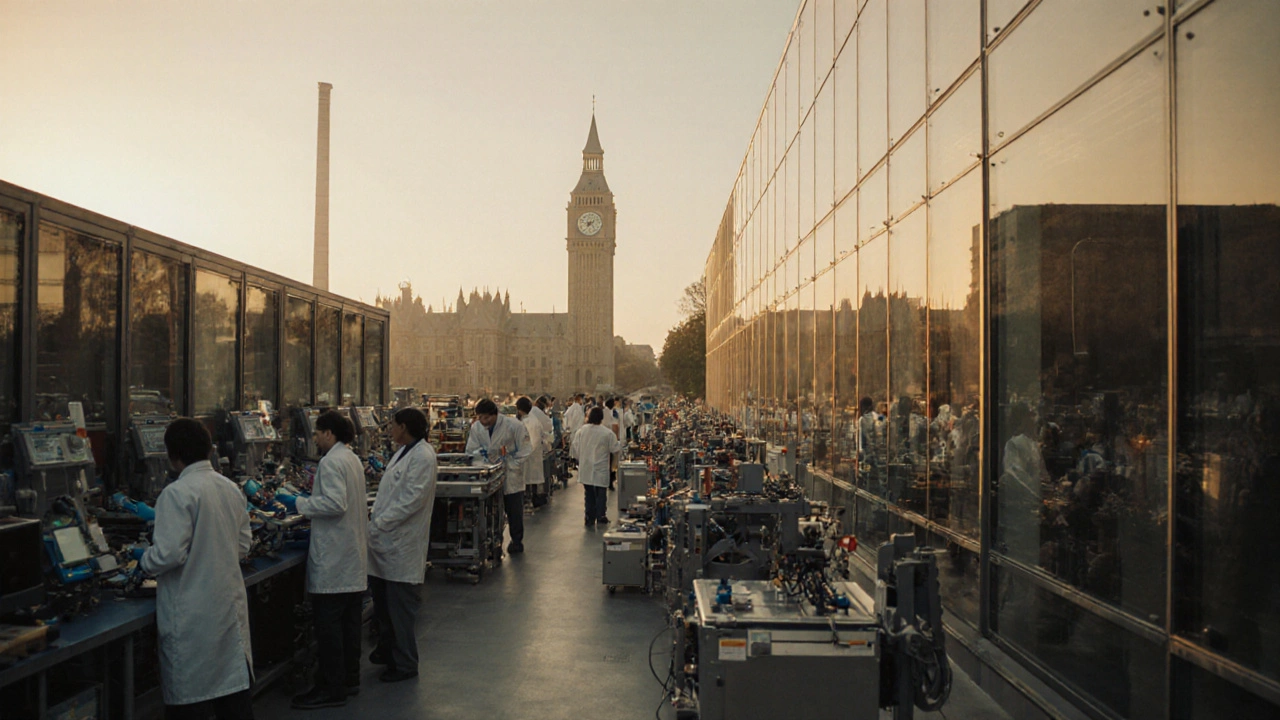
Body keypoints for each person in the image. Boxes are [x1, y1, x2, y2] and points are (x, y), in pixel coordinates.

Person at [137, 418, 254, 720]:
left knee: (191, 704)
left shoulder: (176, 494)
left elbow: (168, 555)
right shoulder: (230, 489)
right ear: (209, 449)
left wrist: (142, 558)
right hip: (227, 613)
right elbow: (243, 546)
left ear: (172, 456)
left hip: (192, 620)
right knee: (233, 701)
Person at [281, 411, 368, 709]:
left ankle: (330, 689)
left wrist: (298, 502)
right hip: (350, 558)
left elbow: (334, 503)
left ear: (329, 434)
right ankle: (349, 680)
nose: (315, 438)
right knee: (349, 626)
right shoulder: (351, 458)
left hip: (335, 562)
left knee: (330, 629)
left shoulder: (331, 462)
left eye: (318, 433)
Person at [368, 408, 437, 683]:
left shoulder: (422, 456)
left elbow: (411, 500)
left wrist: (381, 522)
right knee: (385, 607)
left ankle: (405, 664)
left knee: (400, 611)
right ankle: (389, 652)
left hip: (401, 544)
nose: (390, 430)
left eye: (393, 426)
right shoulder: (404, 451)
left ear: (404, 427)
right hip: (387, 544)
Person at [466, 398, 531, 554]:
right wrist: (482, 461)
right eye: (480, 417)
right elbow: (471, 450)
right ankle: (494, 543)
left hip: (511, 474)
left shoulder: (513, 425)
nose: (483, 421)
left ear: (495, 414)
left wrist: (511, 464)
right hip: (488, 474)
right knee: (491, 512)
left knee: (514, 510)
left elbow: (526, 449)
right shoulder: (476, 428)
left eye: (487, 417)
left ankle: (516, 541)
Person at [572, 407, 625, 527]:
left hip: (586, 467)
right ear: (601, 418)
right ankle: (601, 516)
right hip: (600, 468)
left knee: (589, 493)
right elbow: (615, 449)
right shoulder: (607, 433)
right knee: (601, 493)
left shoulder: (581, 431)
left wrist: (580, 459)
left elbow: (575, 448)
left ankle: (589, 517)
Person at [516, 397, 546, 517]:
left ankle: (530, 503)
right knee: (529, 480)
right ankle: (530, 501)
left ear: (520, 410)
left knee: (529, 481)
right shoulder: (528, 420)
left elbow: (534, 441)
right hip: (528, 456)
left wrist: (522, 455)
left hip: (530, 457)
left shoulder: (531, 422)